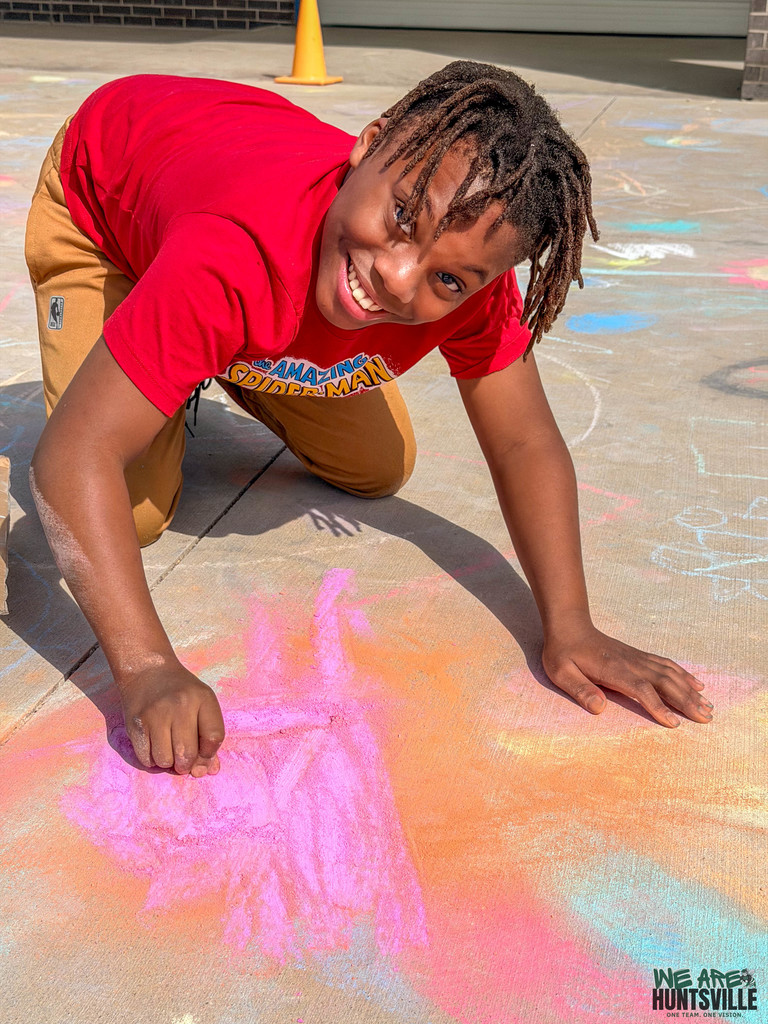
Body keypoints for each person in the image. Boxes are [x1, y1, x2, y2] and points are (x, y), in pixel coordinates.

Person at [25, 61, 714, 780]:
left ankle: (211, 345)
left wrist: (571, 625)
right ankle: (188, 342)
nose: (398, 277)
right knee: (128, 511)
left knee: (378, 466)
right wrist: (146, 668)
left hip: (235, 224)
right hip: (106, 193)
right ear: (370, 143)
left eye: (446, 279)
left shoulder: (466, 268)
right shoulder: (231, 250)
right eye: (403, 220)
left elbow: (522, 438)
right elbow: (71, 462)